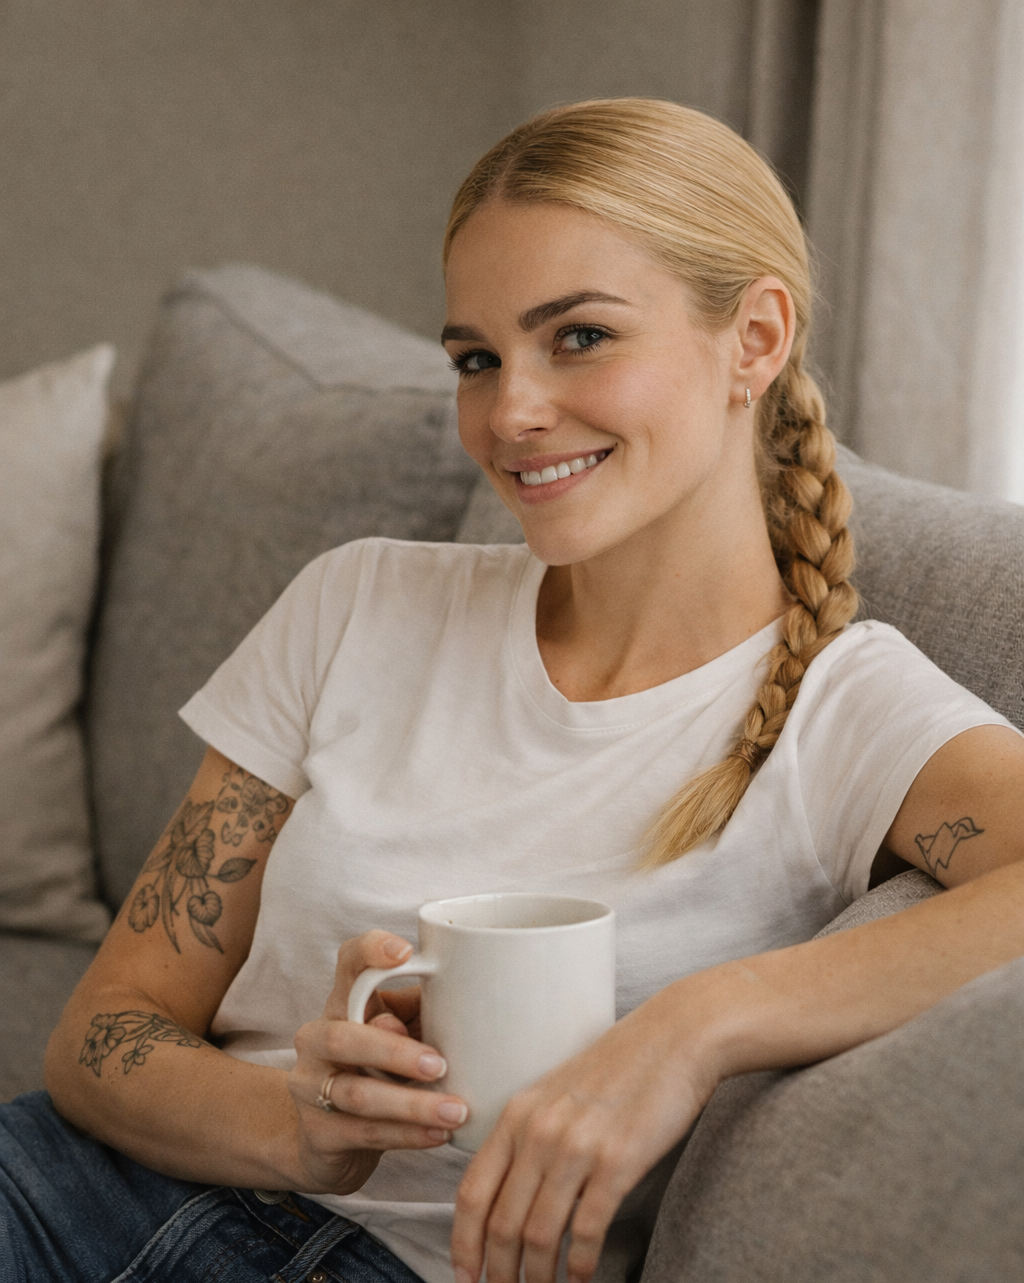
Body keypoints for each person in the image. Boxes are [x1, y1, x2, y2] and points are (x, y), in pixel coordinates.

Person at [3, 98, 1023, 1283]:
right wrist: (295, 1122)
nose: (509, 413)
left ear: (754, 338)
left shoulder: (848, 710)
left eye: (578, 336)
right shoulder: (355, 603)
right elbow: (99, 1036)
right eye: (477, 358)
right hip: (73, 1198)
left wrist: (690, 1029)